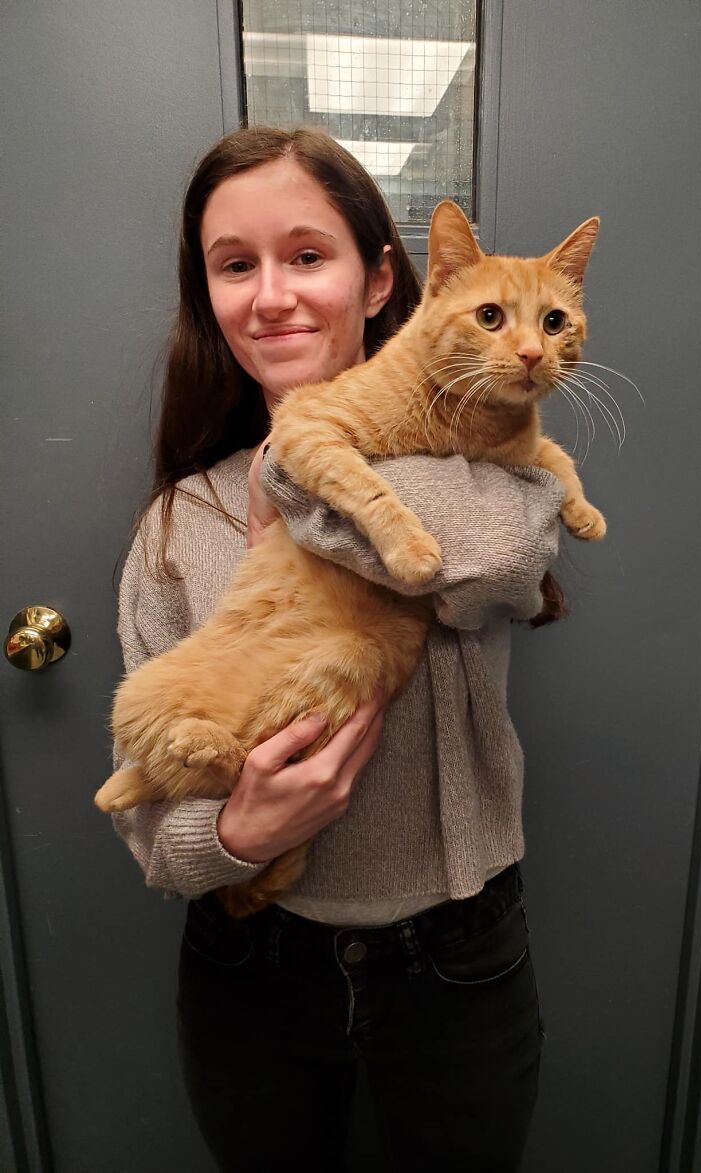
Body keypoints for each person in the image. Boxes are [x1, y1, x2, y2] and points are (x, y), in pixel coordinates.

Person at [112, 126, 565, 1173]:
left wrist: (295, 482)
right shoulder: (179, 524)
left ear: (379, 282)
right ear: (211, 297)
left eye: (307, 255)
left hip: (457, 954)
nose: (270, 295)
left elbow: (496, 567)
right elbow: (148, 812)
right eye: (234, 265)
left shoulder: (491, 459)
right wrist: (235, 832)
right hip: (251, 958)